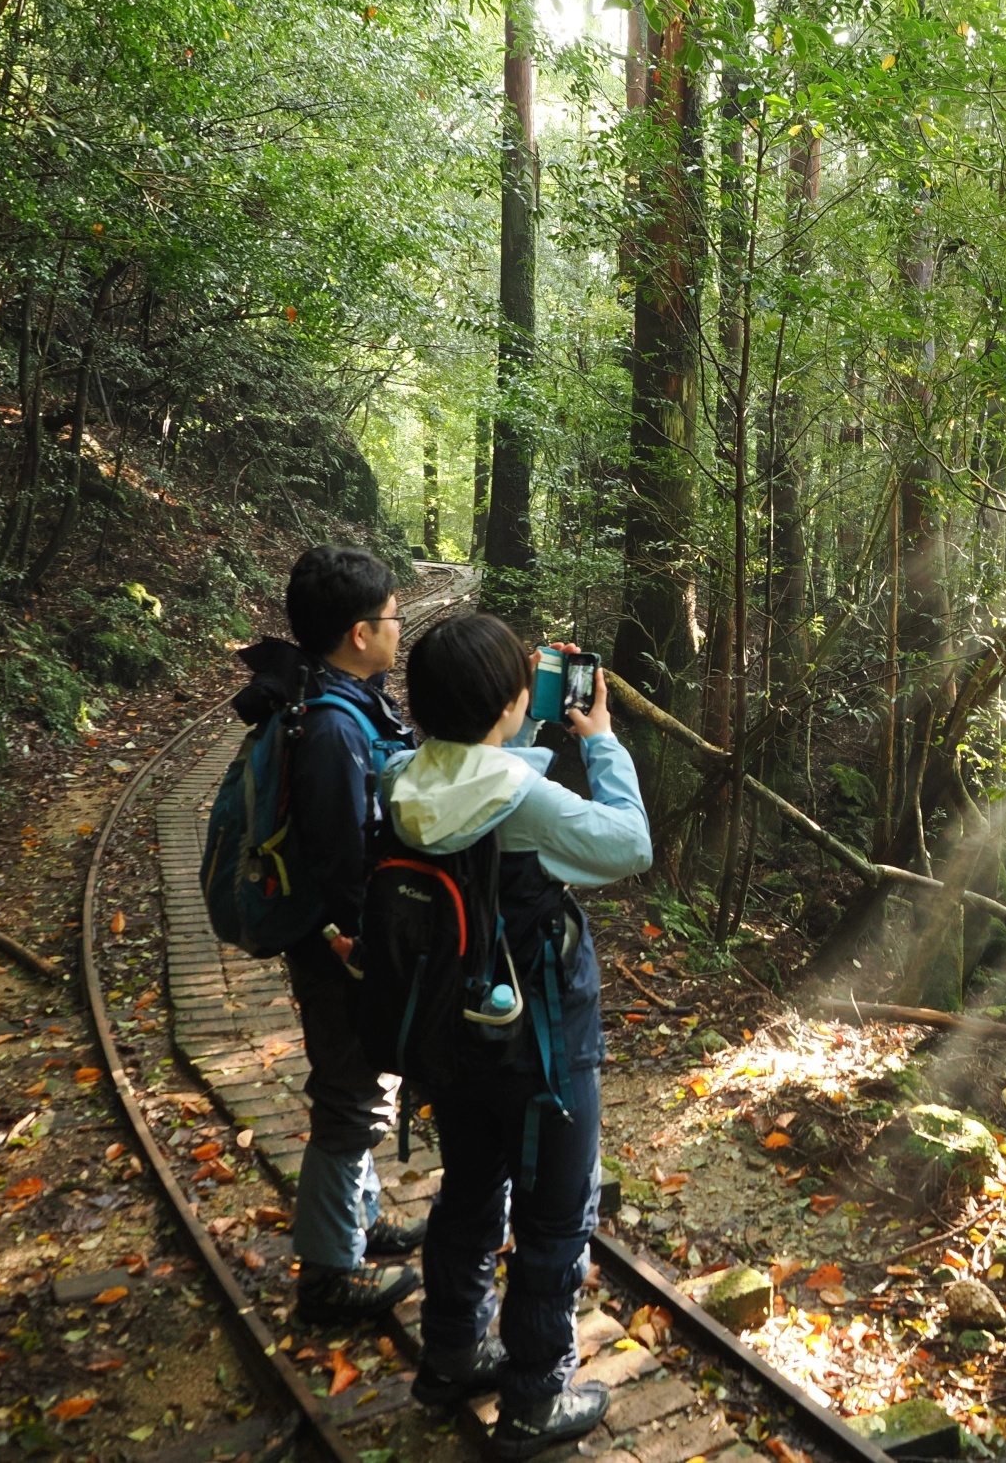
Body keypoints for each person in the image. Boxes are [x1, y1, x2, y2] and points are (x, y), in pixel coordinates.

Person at [378, 614, 651, 1458]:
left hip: (447, 1036)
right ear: (505, 702)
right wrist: (599, 740)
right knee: (554, 1216)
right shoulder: (523, 797)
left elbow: (473, 772)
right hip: (539, 1042)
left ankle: (452, 1354)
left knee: (470, 1188)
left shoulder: (400, 776)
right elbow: (630, 844)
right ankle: (535, 1395)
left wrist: (513, 717)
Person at [229, 545, 427, 1324]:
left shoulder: (328, 699)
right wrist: (364, 943)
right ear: (358, 633)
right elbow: (344, 857)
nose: (398, 630)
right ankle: (328, 1275)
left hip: (331, 939)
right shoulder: (337, 731)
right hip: (339, 947)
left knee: (363, 1087)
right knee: (349, 1099)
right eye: (392, 619)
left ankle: (358, 1223)